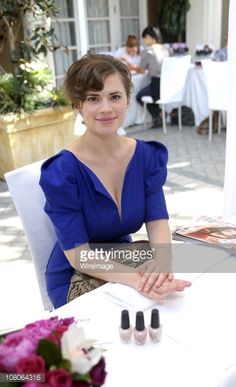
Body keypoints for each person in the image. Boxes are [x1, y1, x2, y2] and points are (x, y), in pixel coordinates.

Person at [39, 53, 191, 308]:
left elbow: (156, 220)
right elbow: (80, 257)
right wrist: (139, 279)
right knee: (152, 302)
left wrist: (162, 263)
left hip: (124, 258)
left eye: (115, 97)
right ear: (78, 105)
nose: (106, 108)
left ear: (128, 100)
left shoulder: (146, 156)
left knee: (171, 294)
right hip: (76, 274)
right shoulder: (62, 172)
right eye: (93, 99)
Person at [135, 26, 169, 128]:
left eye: (144, 38)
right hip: (168, 86)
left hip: (157, 85)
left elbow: (141, 71)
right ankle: (158, 117)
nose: (144, 41)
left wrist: (133, 67)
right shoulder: (166, 49)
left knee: (139, 96)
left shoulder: (148, 51)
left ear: (149, 37)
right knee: (146, 92)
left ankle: (158, 114)